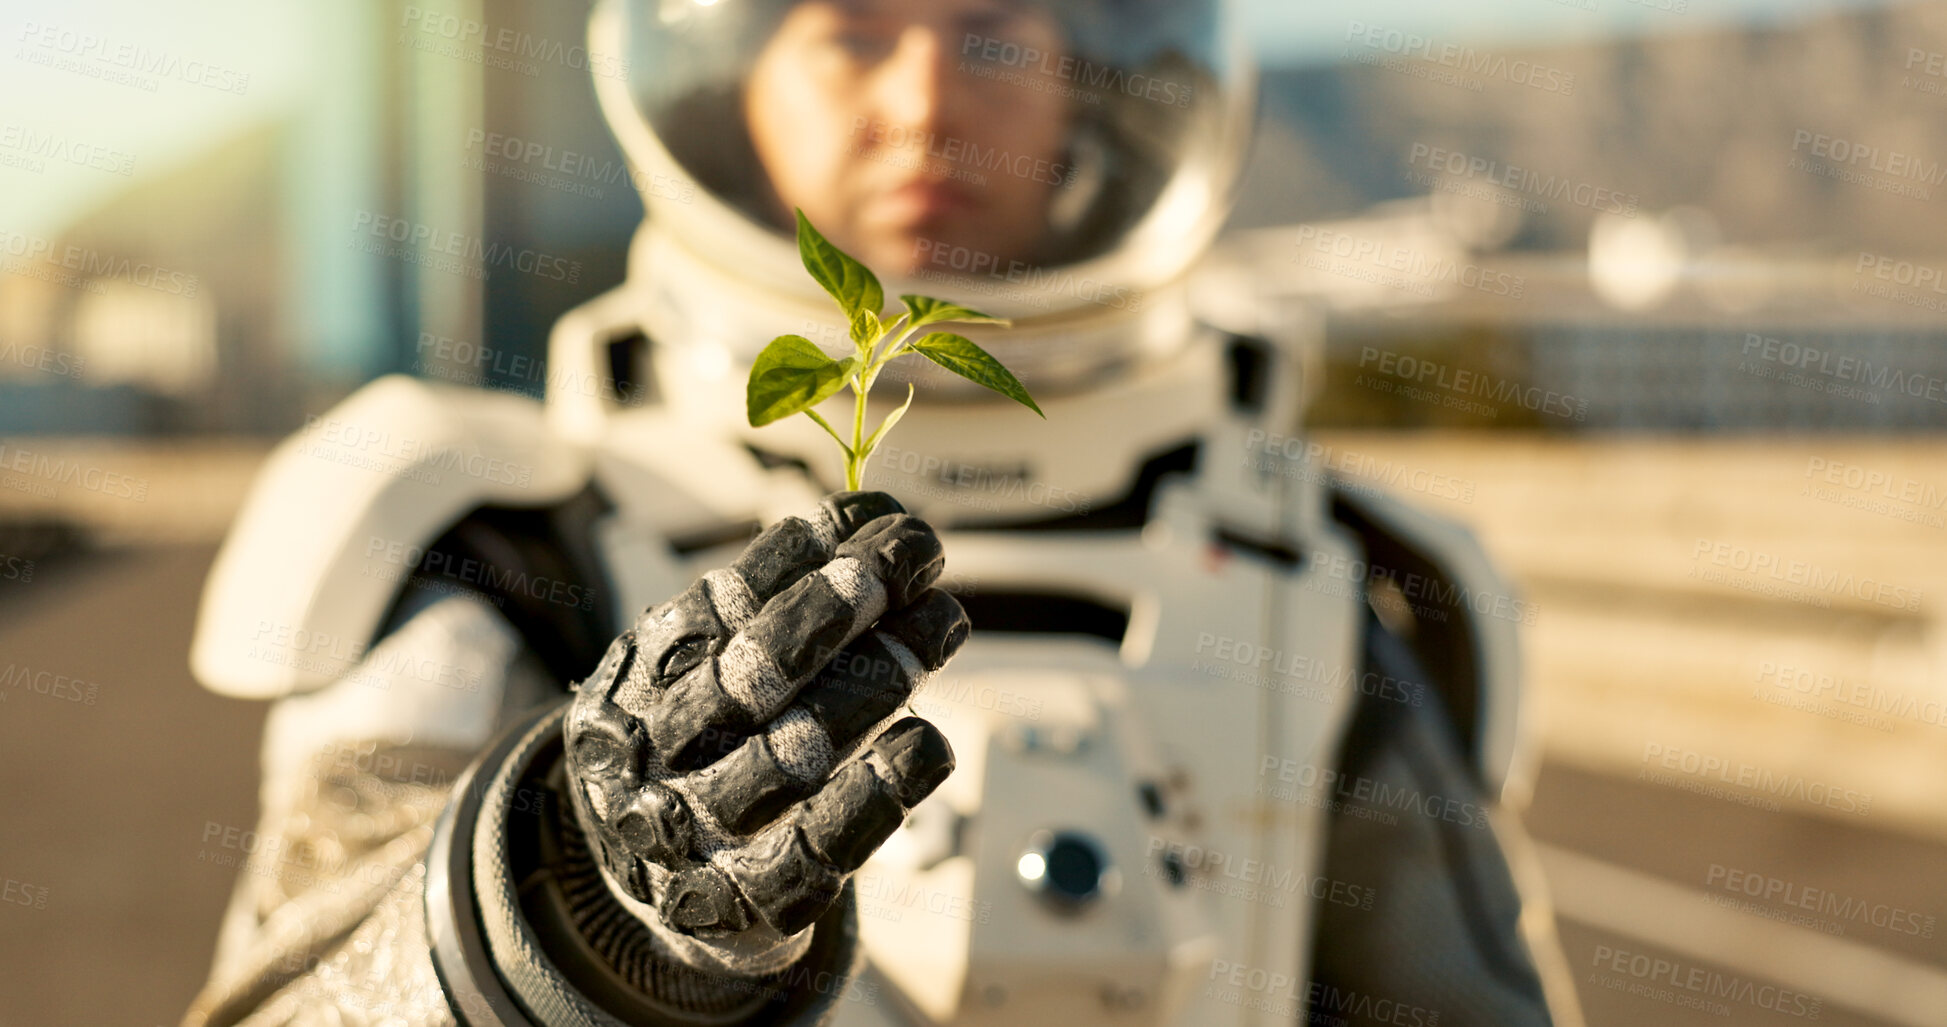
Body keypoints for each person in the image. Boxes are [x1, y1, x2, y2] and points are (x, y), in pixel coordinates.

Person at [183, 0, 1579, 1024]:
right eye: (852, 31)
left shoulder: (1325, 576)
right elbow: (293, 997)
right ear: (736, 85)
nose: (924, 103)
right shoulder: (498, 543)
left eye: (988, 37)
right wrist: (573, 905)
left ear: (1082, 94)